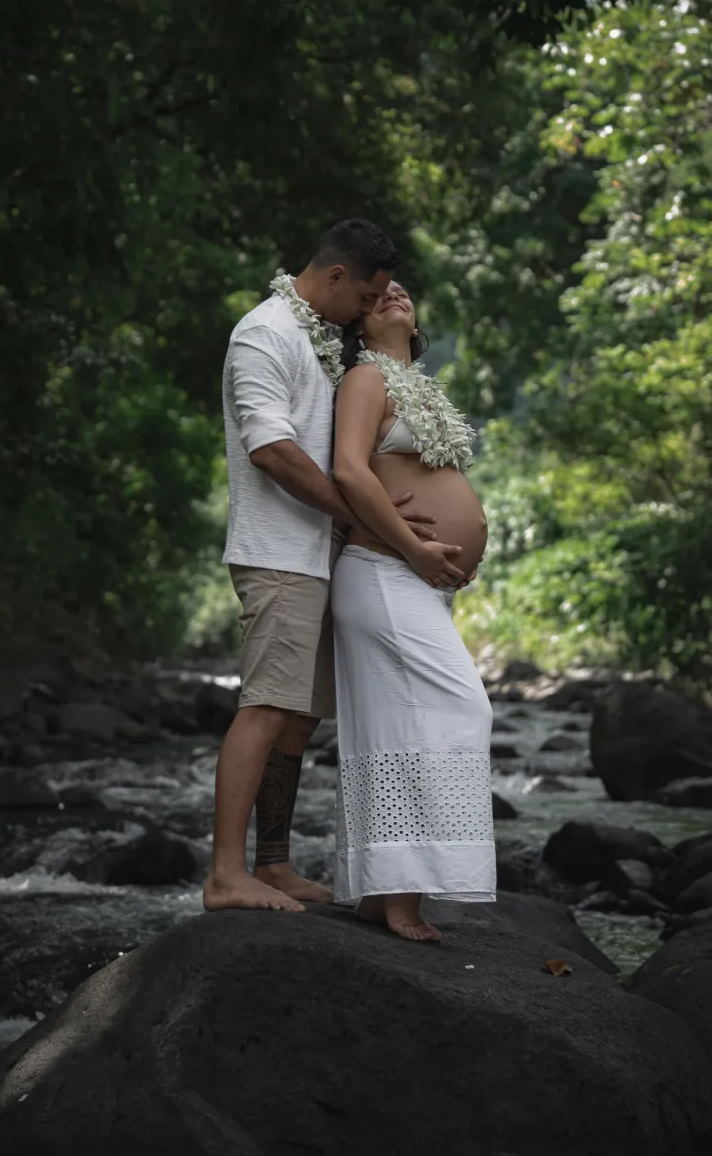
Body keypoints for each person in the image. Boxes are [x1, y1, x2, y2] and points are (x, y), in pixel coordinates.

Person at [204, 221, 460, 914]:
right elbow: (273, 450)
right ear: (337, 276)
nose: (369, 307)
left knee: (299, 719)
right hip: (279, 553)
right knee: (264, 709)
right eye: (367, 294)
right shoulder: (265, 334)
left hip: (328, 558)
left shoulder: (330, 338)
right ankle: (226, 874)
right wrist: (355, 515)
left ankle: (275, 862)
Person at [331, 280, 495, 941]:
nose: (393, 293)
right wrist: (416, 550)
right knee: (462, 708)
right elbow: (348, 470)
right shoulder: (366, 380)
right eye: (376, 293)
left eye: (400, 288)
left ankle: (389, 893)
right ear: (360, 321)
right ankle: (398, 895)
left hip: (411, 581)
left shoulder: (415, 384)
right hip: (385, 572)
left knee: (397, 731)